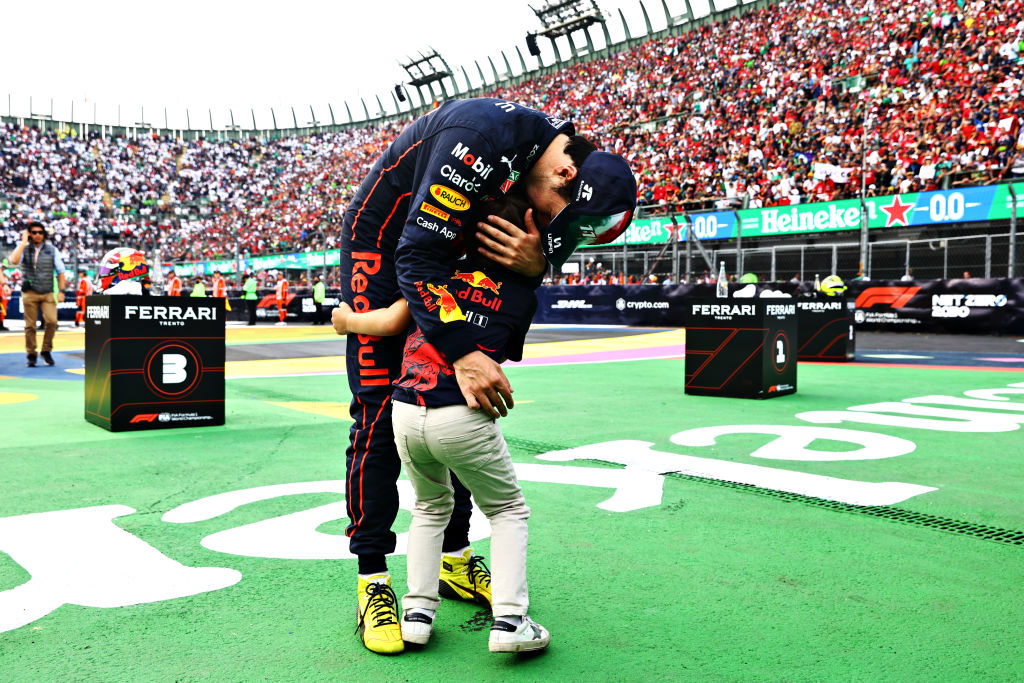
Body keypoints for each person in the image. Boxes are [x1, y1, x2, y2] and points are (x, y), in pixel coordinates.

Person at [338, 97, 636, 654]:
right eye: (554, 217)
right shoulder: (480, 139)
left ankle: (453, 563)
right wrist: (463, 353)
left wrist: (538, 263)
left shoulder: (548, 172)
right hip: (384, 245)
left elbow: (517, 272)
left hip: (436, 252)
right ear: (565, 172)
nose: (549, 228)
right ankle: (373, 581)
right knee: (382, 409)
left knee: (457, 414)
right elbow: (416, 259)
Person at [333, 193, 569, 653]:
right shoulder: (522, 296)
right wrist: (529, 271)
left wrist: (345, 321)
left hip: (404, 410)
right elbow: (506, 345)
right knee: (507, 511)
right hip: (461, 417)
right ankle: (510, 622)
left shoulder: (436, 275)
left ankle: (418, 615)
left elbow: (387, 321)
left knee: (428, 508)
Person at [8, 222, 68, 367]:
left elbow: (61, 271)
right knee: (30, 326)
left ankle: (46, 350)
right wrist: (23, 242)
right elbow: (13, 261)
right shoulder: (24, 248)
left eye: (40, 232)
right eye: (34, 232)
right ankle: (31, 354)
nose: (37, 235)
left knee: (52, 321)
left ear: (44, 234)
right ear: (29, 234)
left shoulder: (52, 250)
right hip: (29, 293)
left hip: (47, 292)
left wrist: (61, 291)